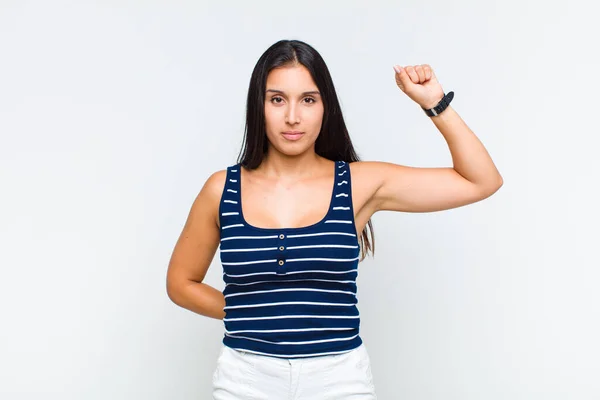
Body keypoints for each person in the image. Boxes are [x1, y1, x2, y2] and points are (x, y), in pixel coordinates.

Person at [165, 39, 503, 399]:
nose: (292, 116)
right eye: (277, 99)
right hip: (246, 378)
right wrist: (255, 313)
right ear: (258, 106)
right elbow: (181, 282)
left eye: (308, 100)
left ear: (325, 107)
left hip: (337, 379)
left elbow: (481, 180)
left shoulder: (358, 183)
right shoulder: (222, 189)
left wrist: (435, 103)